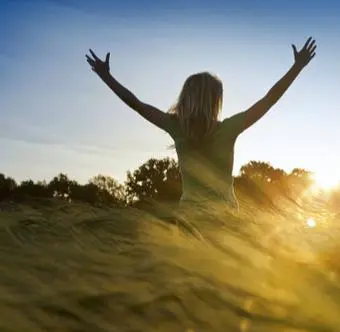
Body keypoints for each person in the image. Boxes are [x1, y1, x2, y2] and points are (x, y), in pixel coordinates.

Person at [85, 37, 317, 218]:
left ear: (187, 97)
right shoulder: (229, 128)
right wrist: (297, 67)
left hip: (190, 221)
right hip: (226, 222)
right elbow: (268, 100)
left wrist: (106, 76)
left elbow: (136, 104)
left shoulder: (176, 126)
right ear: (215, 101)